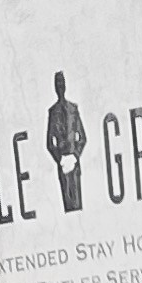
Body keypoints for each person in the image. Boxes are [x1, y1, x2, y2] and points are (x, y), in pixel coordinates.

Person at [45, 74, 86, 214]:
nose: (60, 86)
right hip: (62, 164)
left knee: (77, 203)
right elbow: (50, 143)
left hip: (74, 163)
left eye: (62, 82)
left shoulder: (73, 109)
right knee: (68, 206)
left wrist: (75, 156)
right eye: (58, 83)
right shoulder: (52, 112)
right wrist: (60, 159)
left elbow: (82, 137)